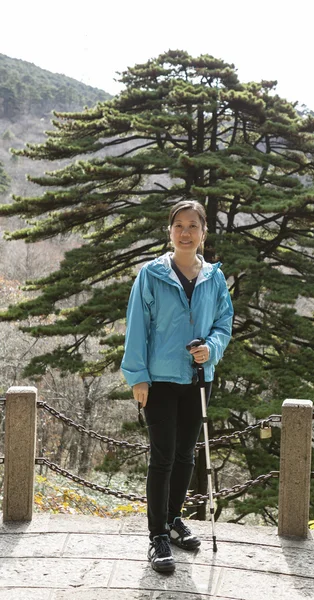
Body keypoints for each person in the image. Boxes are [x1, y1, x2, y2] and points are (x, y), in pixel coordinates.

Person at [121, 200, 233, 573]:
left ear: (203, 232)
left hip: (199, 378)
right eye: (179, 226)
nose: (186, 233)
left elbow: (223, 323)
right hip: (160, 379)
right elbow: (137, 326)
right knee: (163, 456)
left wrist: (211, 348)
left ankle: (172, 519)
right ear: (169, 231)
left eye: (193, 226)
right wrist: (137, 376)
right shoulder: (151, 275)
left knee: (186, 454)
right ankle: (157, 537)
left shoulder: (214, 277)